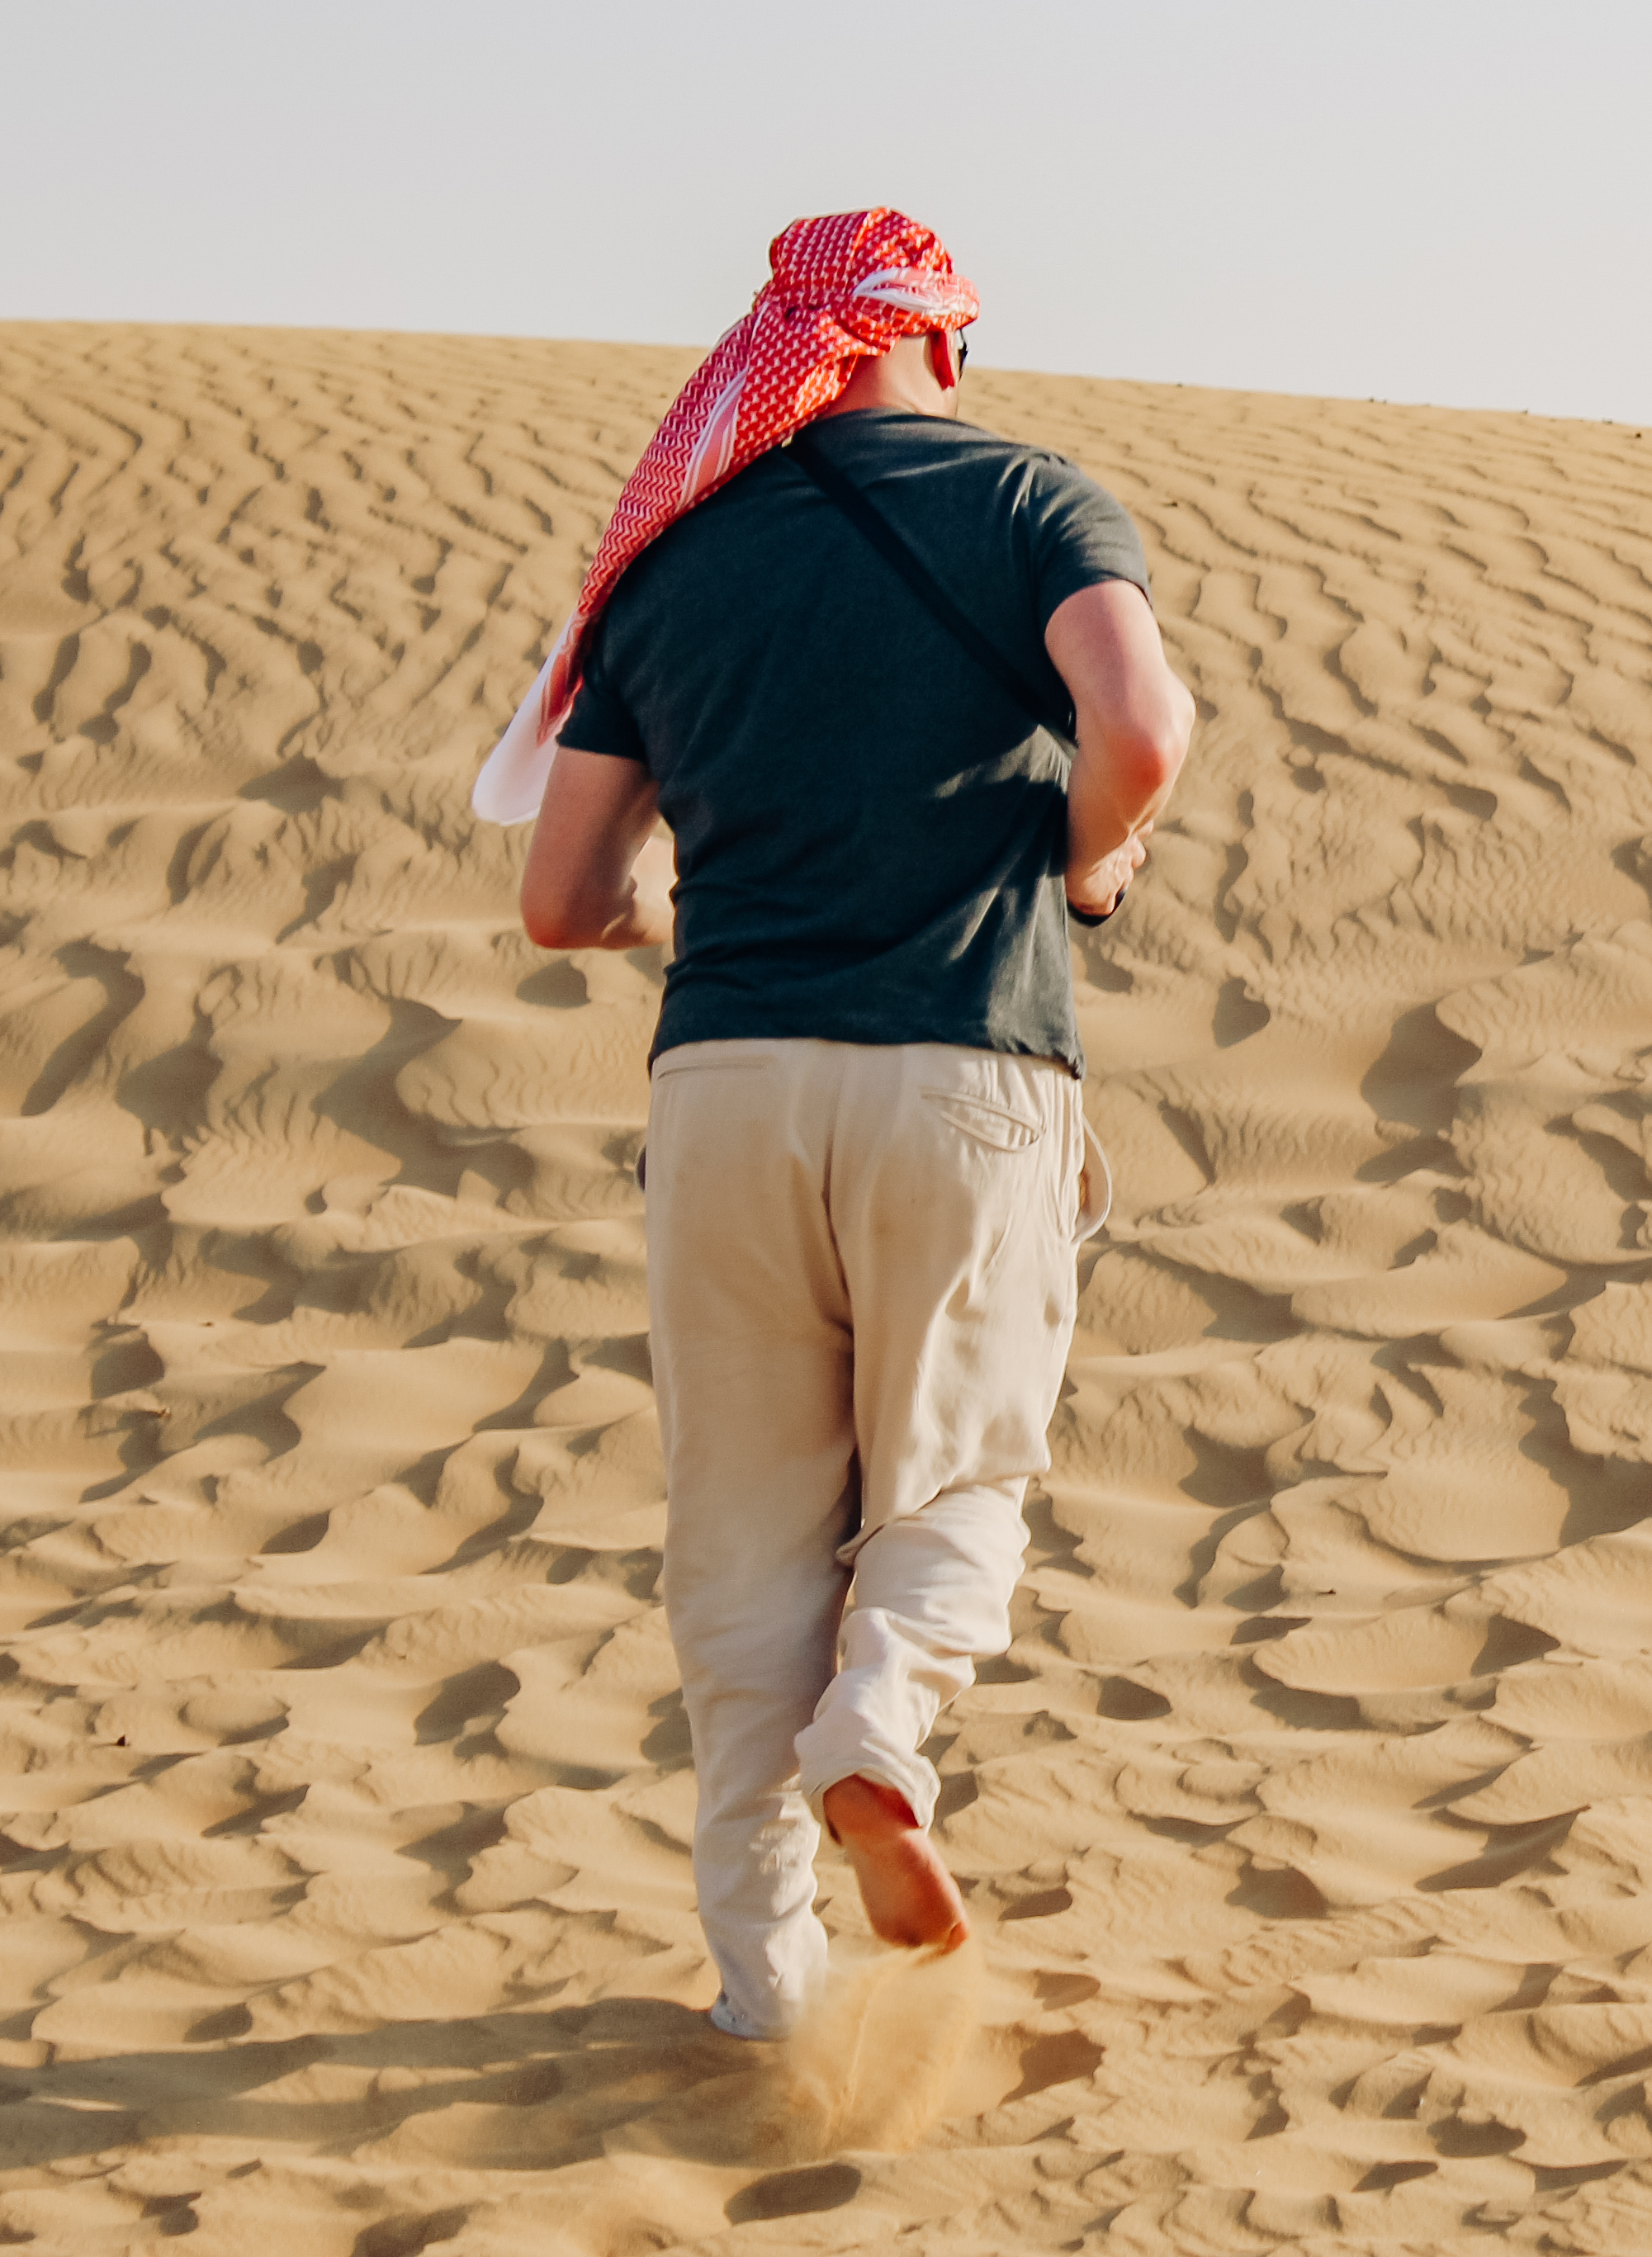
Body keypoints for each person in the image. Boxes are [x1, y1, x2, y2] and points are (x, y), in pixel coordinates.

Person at [488, 208, 1196, 2039]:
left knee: (743, 1540)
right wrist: (1086, 855)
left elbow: (562, 900)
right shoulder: (1032, 505)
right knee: (957, 1466)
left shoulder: (672, 561)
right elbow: (1142, 720)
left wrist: (687, 924)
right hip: (965, 1072)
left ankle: (764, 1995)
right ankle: (881, 1727)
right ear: (937, 340)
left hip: (726, 1085)